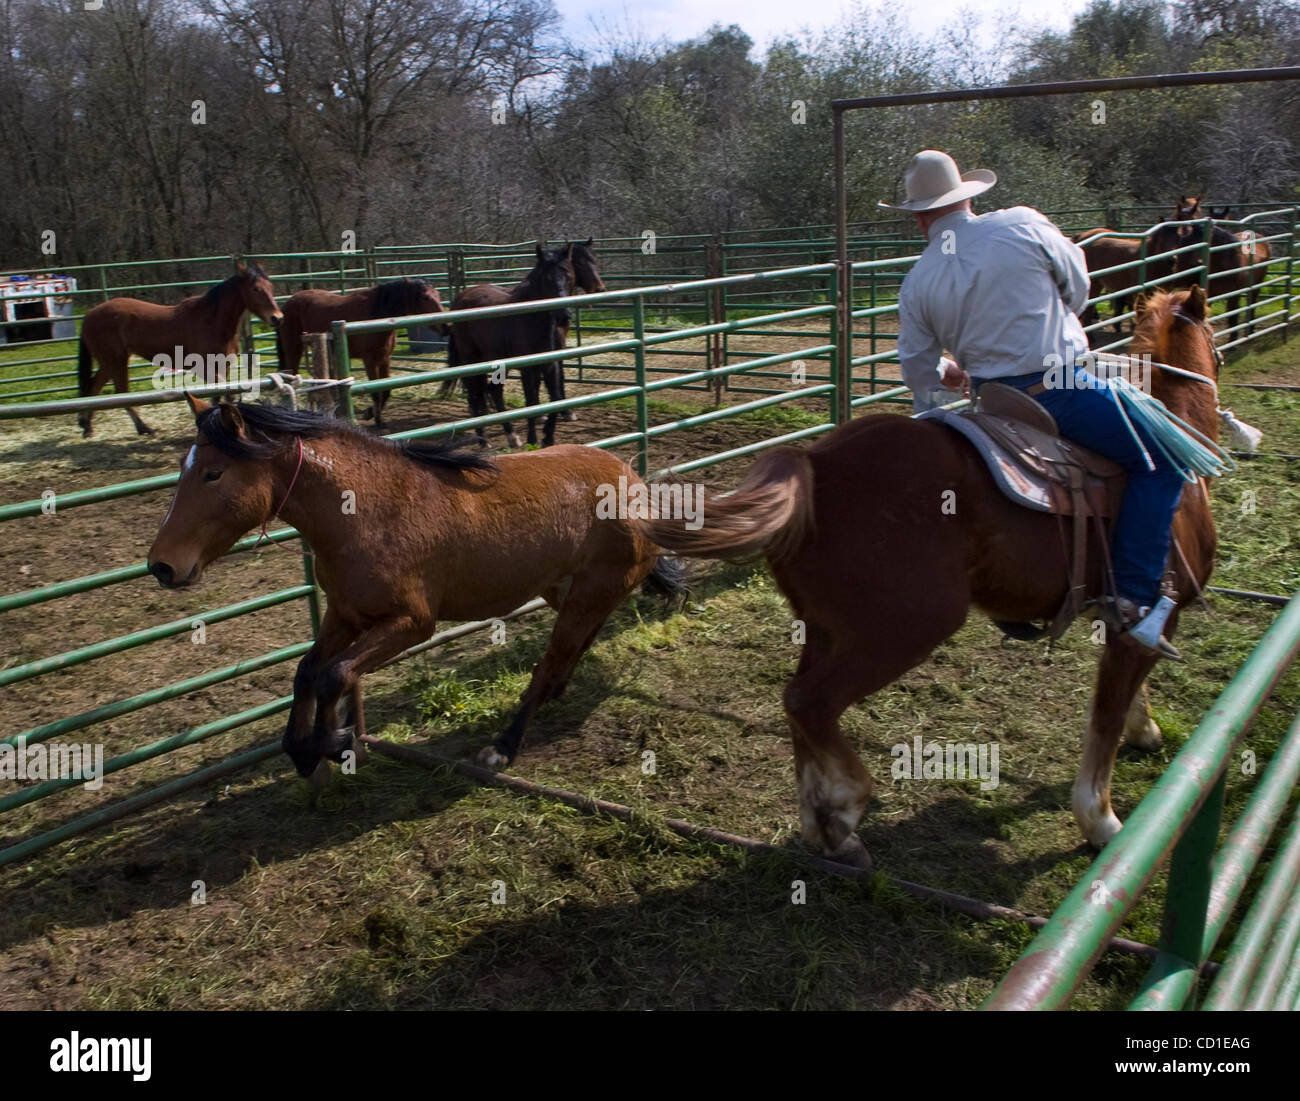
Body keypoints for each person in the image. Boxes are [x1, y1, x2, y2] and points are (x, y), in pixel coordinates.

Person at [881, 149, 1186, 659]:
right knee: (1163, 460)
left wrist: (950, 369)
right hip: (1063, 387)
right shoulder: (1023, 225)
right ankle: (1132, 595)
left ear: (918, 216)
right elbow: (1079, 292)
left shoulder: (918, 281)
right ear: (966, 197)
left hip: (993, 402)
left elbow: (917, 369)